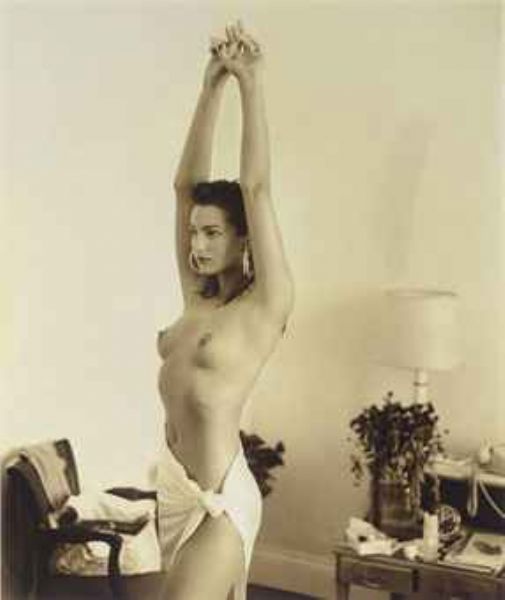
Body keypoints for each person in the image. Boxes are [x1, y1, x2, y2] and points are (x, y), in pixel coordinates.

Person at [155, 21, 294, 600]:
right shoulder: (198, 295)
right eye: (195, 233)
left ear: (244, 239)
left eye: (213, 233)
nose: (198, 244)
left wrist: (249, 83)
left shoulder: (266, 305)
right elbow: (184, 187)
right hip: (173, 493)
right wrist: (211, 83)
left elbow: (256, 188)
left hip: (219, 499)